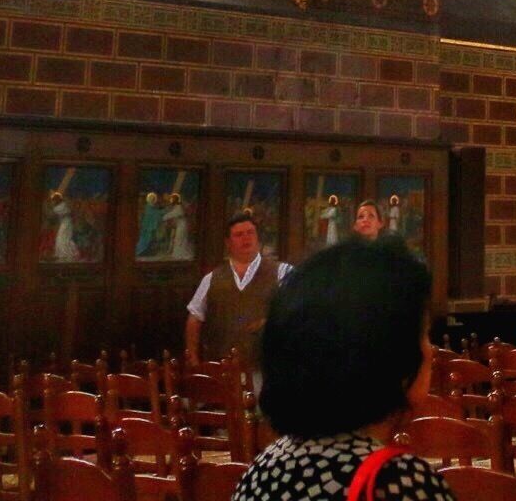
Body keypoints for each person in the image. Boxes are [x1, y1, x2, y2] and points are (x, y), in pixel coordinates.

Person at [235, 240, 452, 501]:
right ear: (389, 352)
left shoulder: (262, 469)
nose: (431, 351)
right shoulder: (399, 482)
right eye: (424, 334)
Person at [186, 211, 289, 363]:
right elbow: (194, 319)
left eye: (250, 232)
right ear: (228, 242)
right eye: (239, 234)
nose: (246, 238)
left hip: (267, 369)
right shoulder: (212, 279)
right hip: (222, 369)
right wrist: (193, 360)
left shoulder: (283, 272)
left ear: (257, 237)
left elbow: (299, 314)